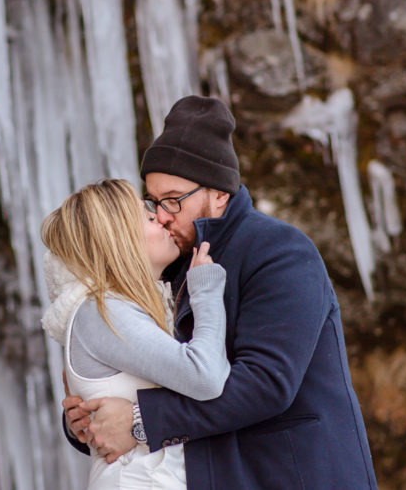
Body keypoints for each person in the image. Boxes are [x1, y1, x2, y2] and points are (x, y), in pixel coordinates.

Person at [62, 96, 378, 489]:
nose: (161, 215)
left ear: (219, 194)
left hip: (292, 474)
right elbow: (151, 369)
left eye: (173, 200)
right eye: (153, 201)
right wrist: (90, 417)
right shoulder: (169, 266)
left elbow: (266, 384)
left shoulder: (280, 252)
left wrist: (141, 421)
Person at [40, 179, 230, 489]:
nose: (165, 219)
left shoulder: (117, 309)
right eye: (151, 218)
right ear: (121, 238)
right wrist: (205, 289)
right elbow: (205, 376)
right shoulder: (102, 311)